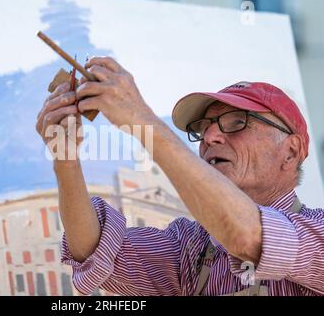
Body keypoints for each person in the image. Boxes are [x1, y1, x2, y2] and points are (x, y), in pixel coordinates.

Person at [35, 56, 323, 296]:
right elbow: (95, 251)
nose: (209, 136)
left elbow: (249, 237)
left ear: (291, 150)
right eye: (203, 126)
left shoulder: (318, 233)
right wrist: (66, 160)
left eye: (237, 121)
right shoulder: (191, 246)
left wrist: (141, 121)